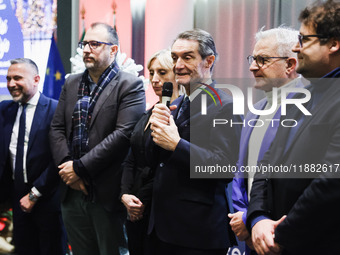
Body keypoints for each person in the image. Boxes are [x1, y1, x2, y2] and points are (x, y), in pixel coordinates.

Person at [247, 1, 340, 254]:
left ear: (333, 44)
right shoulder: (301, 99)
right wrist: (257, 218)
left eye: (304, 39)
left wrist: (279, 235)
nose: (297, 47)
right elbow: (266, 165)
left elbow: (330, 184)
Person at [49, 22, 145, 255]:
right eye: (84, 44)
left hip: (107, 190)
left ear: (113, 50)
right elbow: (57, 128)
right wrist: (68, 171)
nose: (86, 50)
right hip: (72, 191)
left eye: (94, 44)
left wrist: (80, 168)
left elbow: (123, 134)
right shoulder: (72, 82)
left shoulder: (129, 84)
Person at [146, 28, 241, 255]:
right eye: (175, 57)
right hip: (161, 227)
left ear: (209, 61)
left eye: (187, 57)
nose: (178, 65)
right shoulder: (174, 104)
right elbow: (155, 161)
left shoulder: (225, 105)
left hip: (197, 232)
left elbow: (224, 167)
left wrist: (177, 145)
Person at [228, 27, 304, 254]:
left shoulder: (308, 108)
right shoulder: (255, 110)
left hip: (281, 234)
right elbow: (240, 174)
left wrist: (257, 222)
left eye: (262, 60)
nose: (252, 67)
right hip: (250, 232)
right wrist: (245, 216)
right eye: (253, 59)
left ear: (290, 64)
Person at [0, 58, 66, 255]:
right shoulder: (4, 110)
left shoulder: (55, 110)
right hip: (16, 198)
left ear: (36, 79)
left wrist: (35, 194)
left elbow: (59, 158)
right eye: (8, 78)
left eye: (17, 78)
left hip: (48, 198)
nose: (11, 84)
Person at [120, 49, 180, 255]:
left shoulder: (179, 114)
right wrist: (125, 194)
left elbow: (165, 164)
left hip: (159, 208)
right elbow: (130, 158)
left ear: (177, 74)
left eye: (162, 73)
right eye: (151, 72)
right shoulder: (150, 111)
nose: (154, 79)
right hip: (134, 203)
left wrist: (140, 200)